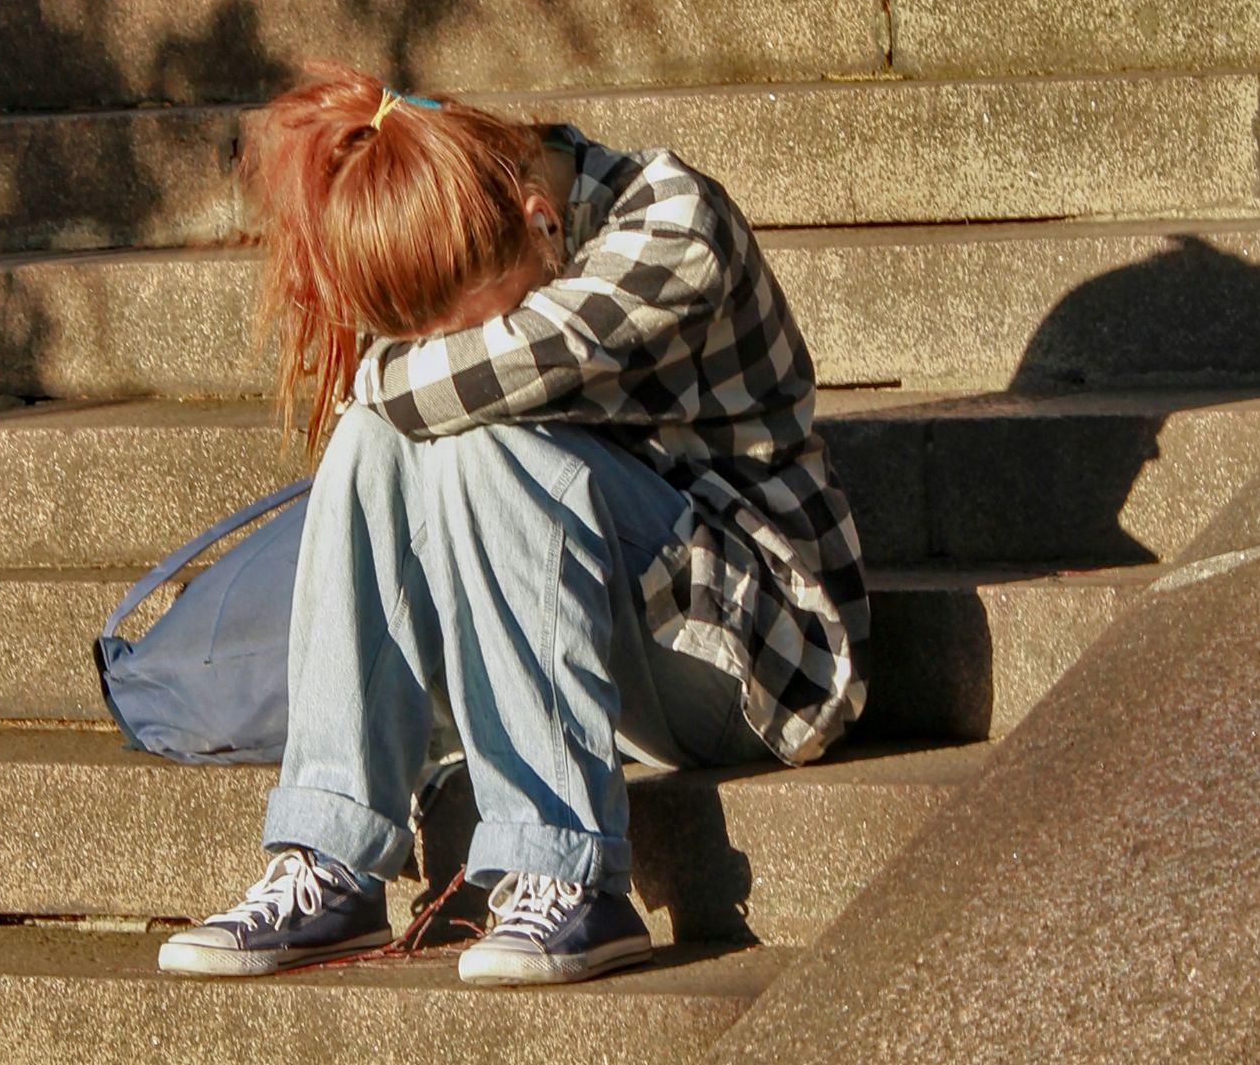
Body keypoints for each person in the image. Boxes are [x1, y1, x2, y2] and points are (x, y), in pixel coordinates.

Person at [156, 63, 870, 987]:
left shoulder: (671, 223)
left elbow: (443, 384)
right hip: (608, 650)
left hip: (760, 656)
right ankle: (330, 852)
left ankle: (566, 875)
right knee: (389, 441)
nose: (447, 346)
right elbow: (413, 403)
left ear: (540, 217)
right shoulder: (495, 234)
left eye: (469, 322)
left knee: (467, 432)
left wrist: (383, 378)